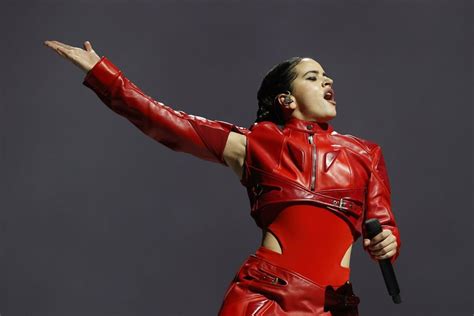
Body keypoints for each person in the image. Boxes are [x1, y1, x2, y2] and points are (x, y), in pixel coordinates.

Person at [43, 40, 401, 315]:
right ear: (286, 99)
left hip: (332, 306)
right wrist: (104, 75)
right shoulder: (256, 143)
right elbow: (170, 123)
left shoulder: (366, 154)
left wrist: (387, 242)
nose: (328, 80)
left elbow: (384, 227)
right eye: (313, 76)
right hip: (264, 300)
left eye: (326, 76)